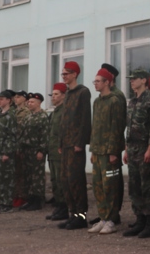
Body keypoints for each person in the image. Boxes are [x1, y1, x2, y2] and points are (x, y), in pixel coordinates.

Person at [123, 67, 150, 238]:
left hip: (145, 147)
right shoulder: (132, 101)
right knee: (134, 186)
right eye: (131, 78)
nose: (132, 81)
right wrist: (126, 149)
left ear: (144, 80)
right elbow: (129, 128)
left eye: (135, 78)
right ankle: (139, 220)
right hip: (132, 148)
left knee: (148, 186)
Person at [88, 68, 127, 235]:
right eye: (94, 81)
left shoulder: (115, 101)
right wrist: (92, 149)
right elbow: (95, 127)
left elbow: (117, 128)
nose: (95, 84)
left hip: (109, 151)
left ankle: (111, 219)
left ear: (107, 83)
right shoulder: (97, 102)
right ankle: (103, 217)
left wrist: (113, 151)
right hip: (97, 150)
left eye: (98, 81)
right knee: (98, 186)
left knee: (109, 185)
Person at [59, 61, 92, 230]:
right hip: (65, 143)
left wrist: (81, 142)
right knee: (65, 180)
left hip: (75, 145)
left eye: (67, 73)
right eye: (63, 73)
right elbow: (64, 120)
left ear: (75, 74)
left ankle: (81, 216)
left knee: (76, 180)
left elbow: (85, 119)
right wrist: (60, 142)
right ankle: (72, 214)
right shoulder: (68, 93)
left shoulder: (83, 92)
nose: (64, 76)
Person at [19, 92, 49, 211]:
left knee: (37, 176)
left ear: (39, 103)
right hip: (26, 150)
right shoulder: (28, 116)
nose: (29, 104)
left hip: (36, 150)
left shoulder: (43, 116)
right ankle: (30, 199)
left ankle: (38, 200)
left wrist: (41, 150)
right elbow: (23, 134)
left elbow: (45, 135)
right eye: (29, 102)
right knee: (28, 175)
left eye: (32, 102)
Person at [46, 83, 68, 221]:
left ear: (64, 96)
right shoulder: (55, 112)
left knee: (62, 181)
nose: (53, 97)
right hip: (52, 152)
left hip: (60, 152)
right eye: (52, 94)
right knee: (54, 180)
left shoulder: (65, 111)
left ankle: (65, 208)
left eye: (56, 94)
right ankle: (59, 206)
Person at [13, 90, 30, 208]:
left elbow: (26, 131)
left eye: (18, 97)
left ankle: (23, 196)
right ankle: (17, 195)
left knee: (22, 173)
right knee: (15, 172)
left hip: (22, 145)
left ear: (24, 98)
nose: (16, 99)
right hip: (13, 145)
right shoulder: (14, 111)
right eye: (15, 97)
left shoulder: (27, 112)